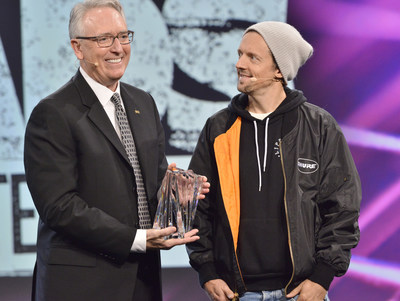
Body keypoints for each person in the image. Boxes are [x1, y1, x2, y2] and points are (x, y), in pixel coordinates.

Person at [23, 1, 209, 300]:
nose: (118, 48)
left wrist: (176, 195)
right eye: (103, 39)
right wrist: (135, 239)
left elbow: (152, 182)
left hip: (143, 280)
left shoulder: (143, 103)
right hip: (81, 284)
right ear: (77, 48)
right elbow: (58, 206)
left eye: (123, 36)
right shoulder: (54, 113)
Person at [186, 21, 361, 301]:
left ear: (280, 69)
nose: (239, 64)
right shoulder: (217, 128)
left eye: (252, 57)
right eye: (240, 54)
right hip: (238, 294)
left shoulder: (319, 126)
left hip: (303, 292)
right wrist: (207, 270)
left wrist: (323, 277)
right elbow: (197, 206)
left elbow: (343, 207)